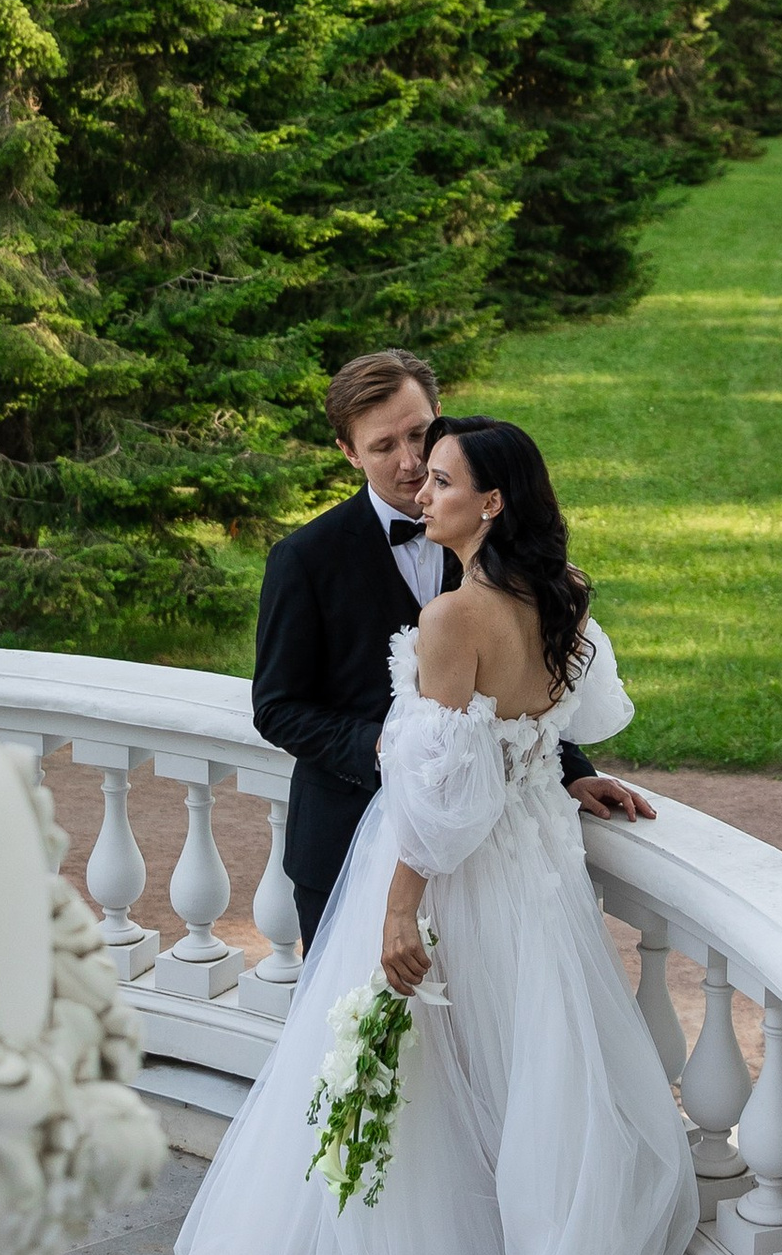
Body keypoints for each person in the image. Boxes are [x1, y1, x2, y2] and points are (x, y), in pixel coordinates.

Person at [154, 417, 701, 1255]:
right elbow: (570, 722)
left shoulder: (455, 618)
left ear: (490, 504)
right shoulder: (562, 601)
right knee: (524, 1084)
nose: (422, 488)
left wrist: (399, 911)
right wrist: (557, 772)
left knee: (425, 1090)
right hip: (542, 886)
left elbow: (436, 805)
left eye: (443, 478)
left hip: (465, 885)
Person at [251, 349, 650, 950]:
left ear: (439, 417)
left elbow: (514, 682)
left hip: (487, 862)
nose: (411, 464)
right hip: (344, 844)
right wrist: (386, 747)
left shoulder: (508, 555)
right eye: (384, 446)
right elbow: (277, 707)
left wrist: (569, 770)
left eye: (419, 435)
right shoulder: (304, 560)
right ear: (349, 453)